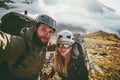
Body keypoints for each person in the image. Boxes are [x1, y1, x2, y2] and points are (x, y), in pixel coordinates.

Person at [0, 14, 56, 80]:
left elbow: (52, 44)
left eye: (50, 31)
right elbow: (6, 42)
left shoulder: (42, 41)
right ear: (35, 28)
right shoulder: (22, 43)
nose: (47, 34)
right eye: (43, 29)